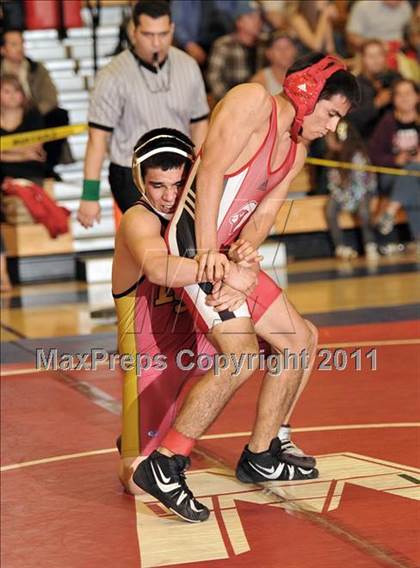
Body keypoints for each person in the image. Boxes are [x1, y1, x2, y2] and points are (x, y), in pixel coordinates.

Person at [130, 54, 360, 522]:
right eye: (332, 113)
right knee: (243, 358)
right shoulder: (252, 102)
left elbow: (265, 215)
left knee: (300, 339)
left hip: (225, 250)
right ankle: (166, 463)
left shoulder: (295, 149)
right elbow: (211, 169)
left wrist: (246, 260)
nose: (333, 127)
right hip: (194, 242)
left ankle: (261, 454)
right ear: (307, 93)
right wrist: (212, 256)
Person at [115, 127, 319, 520]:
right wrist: (229, 270)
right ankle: (145, 438)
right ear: (140, 179)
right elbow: (160, 268)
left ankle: (269, 445)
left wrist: (242, 260)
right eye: (158, 185)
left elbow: (243, 244)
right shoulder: (138, 220)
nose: (169, 196)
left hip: (203, 343)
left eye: (178, 184)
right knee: (136, 480)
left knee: (302, 336)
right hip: (156, 362)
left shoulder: (200, 222)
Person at [77, 0, 209, 228]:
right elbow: (97, 139)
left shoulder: (188, 66)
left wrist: (201, 172)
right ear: (133, 31)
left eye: (163, 34)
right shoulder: (112, 75)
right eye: (148, 35)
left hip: (179, 169)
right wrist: (90, 195)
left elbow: (199, 123)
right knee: (147, 236)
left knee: (182, 239)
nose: (156, 43)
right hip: (132, 173)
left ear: (173, 30)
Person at [0, 29, 72, 177]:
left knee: (58, 116)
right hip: (4, 117)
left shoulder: (37, 69)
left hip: (33, 117)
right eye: (14, 44)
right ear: (3, 49)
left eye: (22, 43)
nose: (20, 48)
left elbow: (51, 98)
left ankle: (47, 167)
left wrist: (29, 113)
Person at [369, 79, 420, 247]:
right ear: (394, 99)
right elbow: (373, 154)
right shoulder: (387, 123)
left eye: (408, 93)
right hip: (392, 175)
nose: (404, 98)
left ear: (417, 97)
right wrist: (395, 160)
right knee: (413, 177)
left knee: (414, 176)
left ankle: (390, 210)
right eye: (400, 94)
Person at [324, 120, 378, 260]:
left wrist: (349, 200)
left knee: (364, 211)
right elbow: (332, 182)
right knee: (330, 208)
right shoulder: (331, 156)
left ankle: (370, 244)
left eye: (330, 137)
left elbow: (362, 184)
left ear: (340, 139)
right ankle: (340, 246)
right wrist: (340, 195)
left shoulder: (357, 156)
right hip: (343, 194)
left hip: (363, 192)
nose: (327, 140)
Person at [206, 1, 263, 103]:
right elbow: (213, 78)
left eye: (259, 17)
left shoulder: (264, 44)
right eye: (251, 17)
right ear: (239, 22)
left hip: (258, 102)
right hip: (230, 103)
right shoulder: (224, 44)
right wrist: (230, 101)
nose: (257, 21)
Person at [347, 40, 401, 140]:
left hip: (397, 136)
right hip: (367, 138)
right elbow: (351, 119)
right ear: (363, 59)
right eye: (371, 56)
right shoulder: (355, 84)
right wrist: (377, 103)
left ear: (385, 57)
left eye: (379, 55)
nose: (376, 60)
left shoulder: (396, 78)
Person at [0, 74, 46, 185]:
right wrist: (22, 154)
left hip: (29, 170)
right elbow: (29, 151)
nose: (12, 96)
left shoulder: (32, 114)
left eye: (16, 91)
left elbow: (36, 147)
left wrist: (4, 151)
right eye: (7, 92)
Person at [346, 0, 413, 54]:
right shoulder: (363, 6)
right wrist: (378, 45)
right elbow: (352, 37)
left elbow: (410, 30)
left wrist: (406, 42)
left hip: (399, 52)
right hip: (370, 53)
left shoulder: (405, 5)